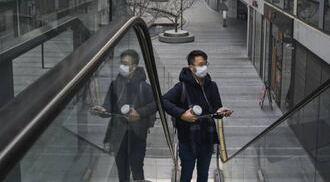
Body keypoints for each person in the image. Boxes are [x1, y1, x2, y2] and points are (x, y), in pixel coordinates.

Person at [162, 50, 233, 182]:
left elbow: (216, 109)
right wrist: (182, 114)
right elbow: (163, 101)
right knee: (186, 174)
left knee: (203, 175)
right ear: (191, 67)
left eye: (205, 64)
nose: (204, 67)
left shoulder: (212, 86)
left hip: (207, 139)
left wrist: (221, 111)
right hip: (187, 139)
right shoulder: (181, 87)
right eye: (200, 64)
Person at [92, 49, 156, 182]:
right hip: (119, 134)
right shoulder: (115, 84)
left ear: (134, 66)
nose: (123, 66)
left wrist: (139, 113)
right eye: (122, 63)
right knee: (122, 169)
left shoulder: (144, 87)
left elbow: (154, 105)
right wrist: (102, 110)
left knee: (137, 167)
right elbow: (109, 106)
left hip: (137, 134)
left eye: (126, 64)